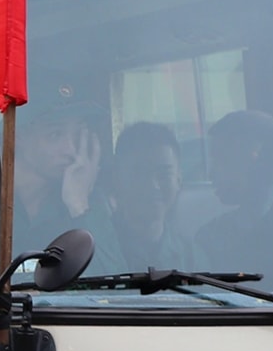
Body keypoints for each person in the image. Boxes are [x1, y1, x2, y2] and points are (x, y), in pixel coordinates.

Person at [11, 94, 115, 265]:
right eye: (55, 134)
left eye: (78, 135)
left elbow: (115, 280)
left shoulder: (87, 198)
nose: (72, 150)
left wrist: (79, 206)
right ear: (18, 135)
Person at [195, 110, 273, 273]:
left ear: (255, 161)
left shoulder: (213, 239)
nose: (212, 174)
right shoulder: (210, 237)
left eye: (222, 160)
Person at [104, 122, 194, 274]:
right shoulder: (99, 248)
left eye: (164, 174)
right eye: (140, 174)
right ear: (116, 179)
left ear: (179, 180)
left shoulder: (192, 256)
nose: (153, 186)